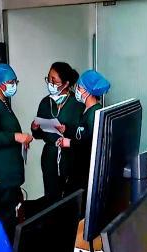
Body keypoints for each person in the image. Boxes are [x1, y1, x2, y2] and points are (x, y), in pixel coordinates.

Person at [0, 63, 33, 239]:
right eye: (11, 82)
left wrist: (21, 139)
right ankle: (8, 251)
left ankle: (14, 247)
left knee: (12, 214)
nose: (14, 85)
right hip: (0, 175)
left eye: (15, 81)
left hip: (9, 174)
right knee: (5, 217)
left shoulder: (3, 103)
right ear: (0, 84)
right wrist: (15, 137)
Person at [31, 62, 84, 201]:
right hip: (50, 156)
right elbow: (38, 135)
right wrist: (35, 128)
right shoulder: (45, 102)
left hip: (70, 156)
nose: (50, 83)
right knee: (51, 196)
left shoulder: (77, 103)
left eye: (54, 81)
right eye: (48, 79)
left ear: (66, 84)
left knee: (70, 197)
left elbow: (83, 134)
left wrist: (66, 129)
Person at [56, 70, 110, 202]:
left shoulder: (95, 113)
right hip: (79, 167)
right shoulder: (86, 110)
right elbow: (81, 133)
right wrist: (66, 130)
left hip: (86, 171)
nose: (77, 90)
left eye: (79, 88)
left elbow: (92, 143)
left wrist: (69, 143)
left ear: (88, 91)